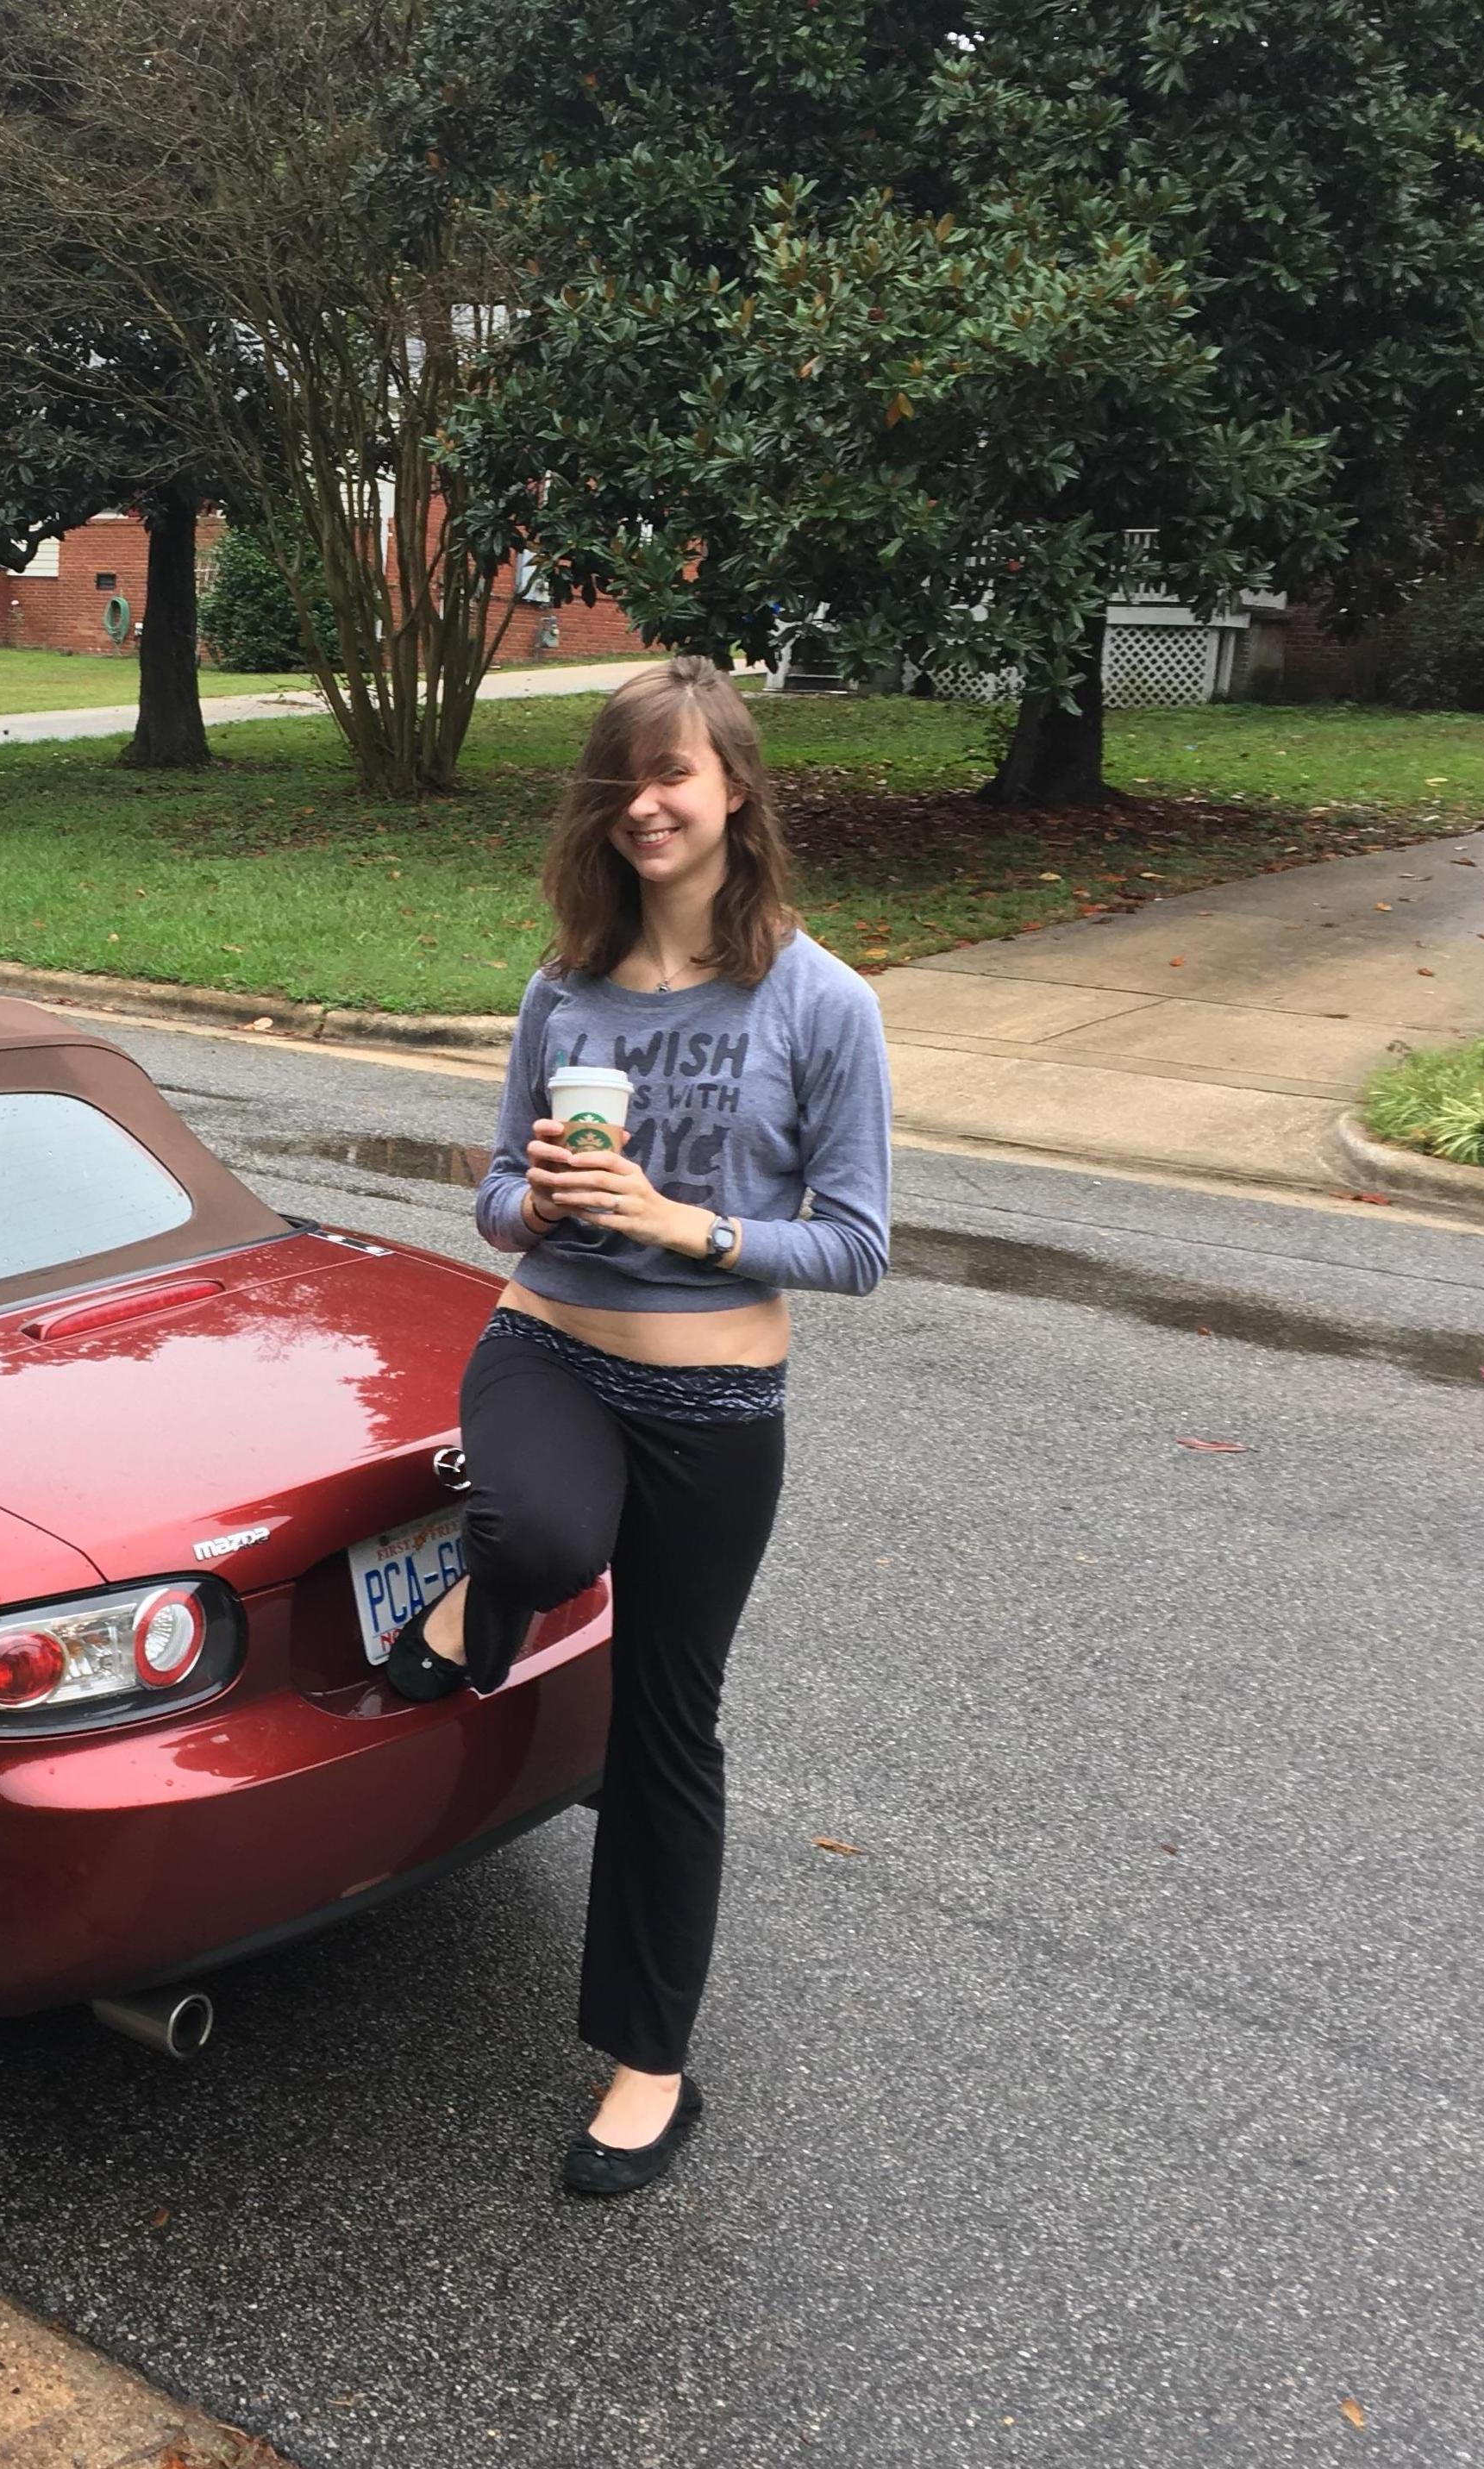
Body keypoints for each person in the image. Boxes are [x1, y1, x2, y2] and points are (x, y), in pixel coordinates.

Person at [386, 653, 892, 2198]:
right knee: (540, 1530)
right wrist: (532, 1200)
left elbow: (860, 1243)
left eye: (672, 774)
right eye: (619, 780)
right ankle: (485, 1589)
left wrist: (689, 1227)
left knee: (667, 1735)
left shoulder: (820, 1001)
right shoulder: (564, 988)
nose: (644, 805)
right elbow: (488, 1202)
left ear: (737, 788)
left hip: (718, 1401)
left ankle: (648, 2066)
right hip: (548, 1346)